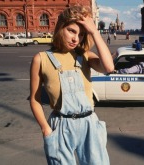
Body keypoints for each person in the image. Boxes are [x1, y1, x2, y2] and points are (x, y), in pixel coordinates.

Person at [29, 5, 114, 165]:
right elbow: (35, 99)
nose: (76, 39)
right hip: (60, 125)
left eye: (81, 34)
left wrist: (94, 32)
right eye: (71, 31)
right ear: (61, 27)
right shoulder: (41, 59)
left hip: (89, 124)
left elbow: (109, 67)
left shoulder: (85, 56)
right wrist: (45, 128)